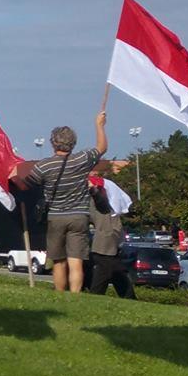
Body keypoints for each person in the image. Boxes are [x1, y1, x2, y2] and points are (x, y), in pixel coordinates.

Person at [11, 113, 109, 293]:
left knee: (58, 261)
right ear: (73, 143)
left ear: (52, 143)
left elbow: (26, 185)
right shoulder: (83, 159)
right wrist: (99, 125)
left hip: (55, 217)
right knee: (76, 260)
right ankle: (75, 296)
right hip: (79, 216)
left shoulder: (44, 166)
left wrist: (12, 175)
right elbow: (102, 147)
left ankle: (60, 295)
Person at [85, 177, 134, 299]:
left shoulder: (101, 200)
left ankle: (95, 296)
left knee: (105, 270)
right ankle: (129, 297)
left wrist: (93, 190)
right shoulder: (106, 205)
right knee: (116, 270)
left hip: (106, 240)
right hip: (108, 238)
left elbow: (99, 204)